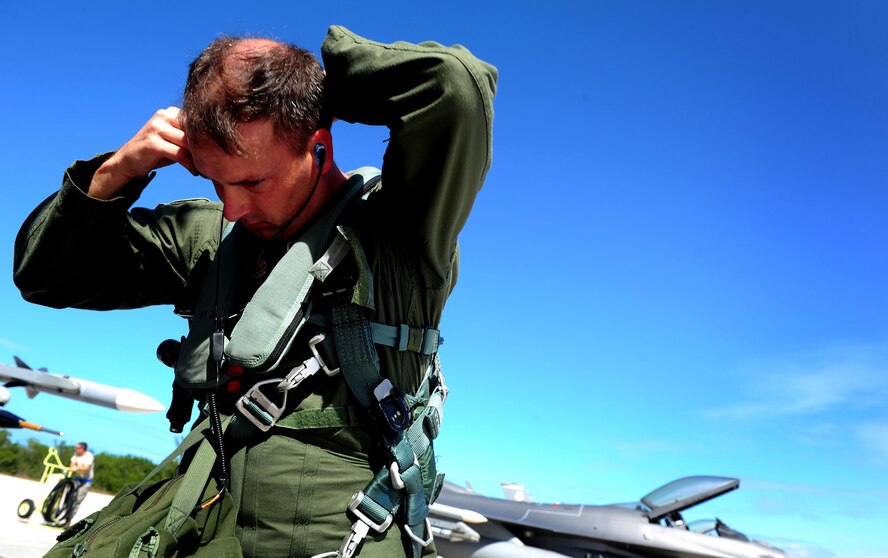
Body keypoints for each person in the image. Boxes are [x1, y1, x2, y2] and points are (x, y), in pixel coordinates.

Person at [14, 25, 496, 558]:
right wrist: (119, 171)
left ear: (318, 146)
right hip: (195, 508)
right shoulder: (211, 239)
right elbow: (46, 274)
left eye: (252, 183)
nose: (234, 208)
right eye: (217, 182)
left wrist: (323, 85)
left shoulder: (400, 236)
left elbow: (454, 86)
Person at [65, 442, 94, 526]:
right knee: (69, 498)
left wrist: (76, 468)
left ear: (83, 449)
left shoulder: (89, 456)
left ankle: (67, 521)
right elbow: (72, 464)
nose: (76, 449)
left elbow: (86, 468)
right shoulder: (76, 455)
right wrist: (73, 467)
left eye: (78, 448)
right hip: (77, 479)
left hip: (86, 481)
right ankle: (61, 517)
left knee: (77, 500)